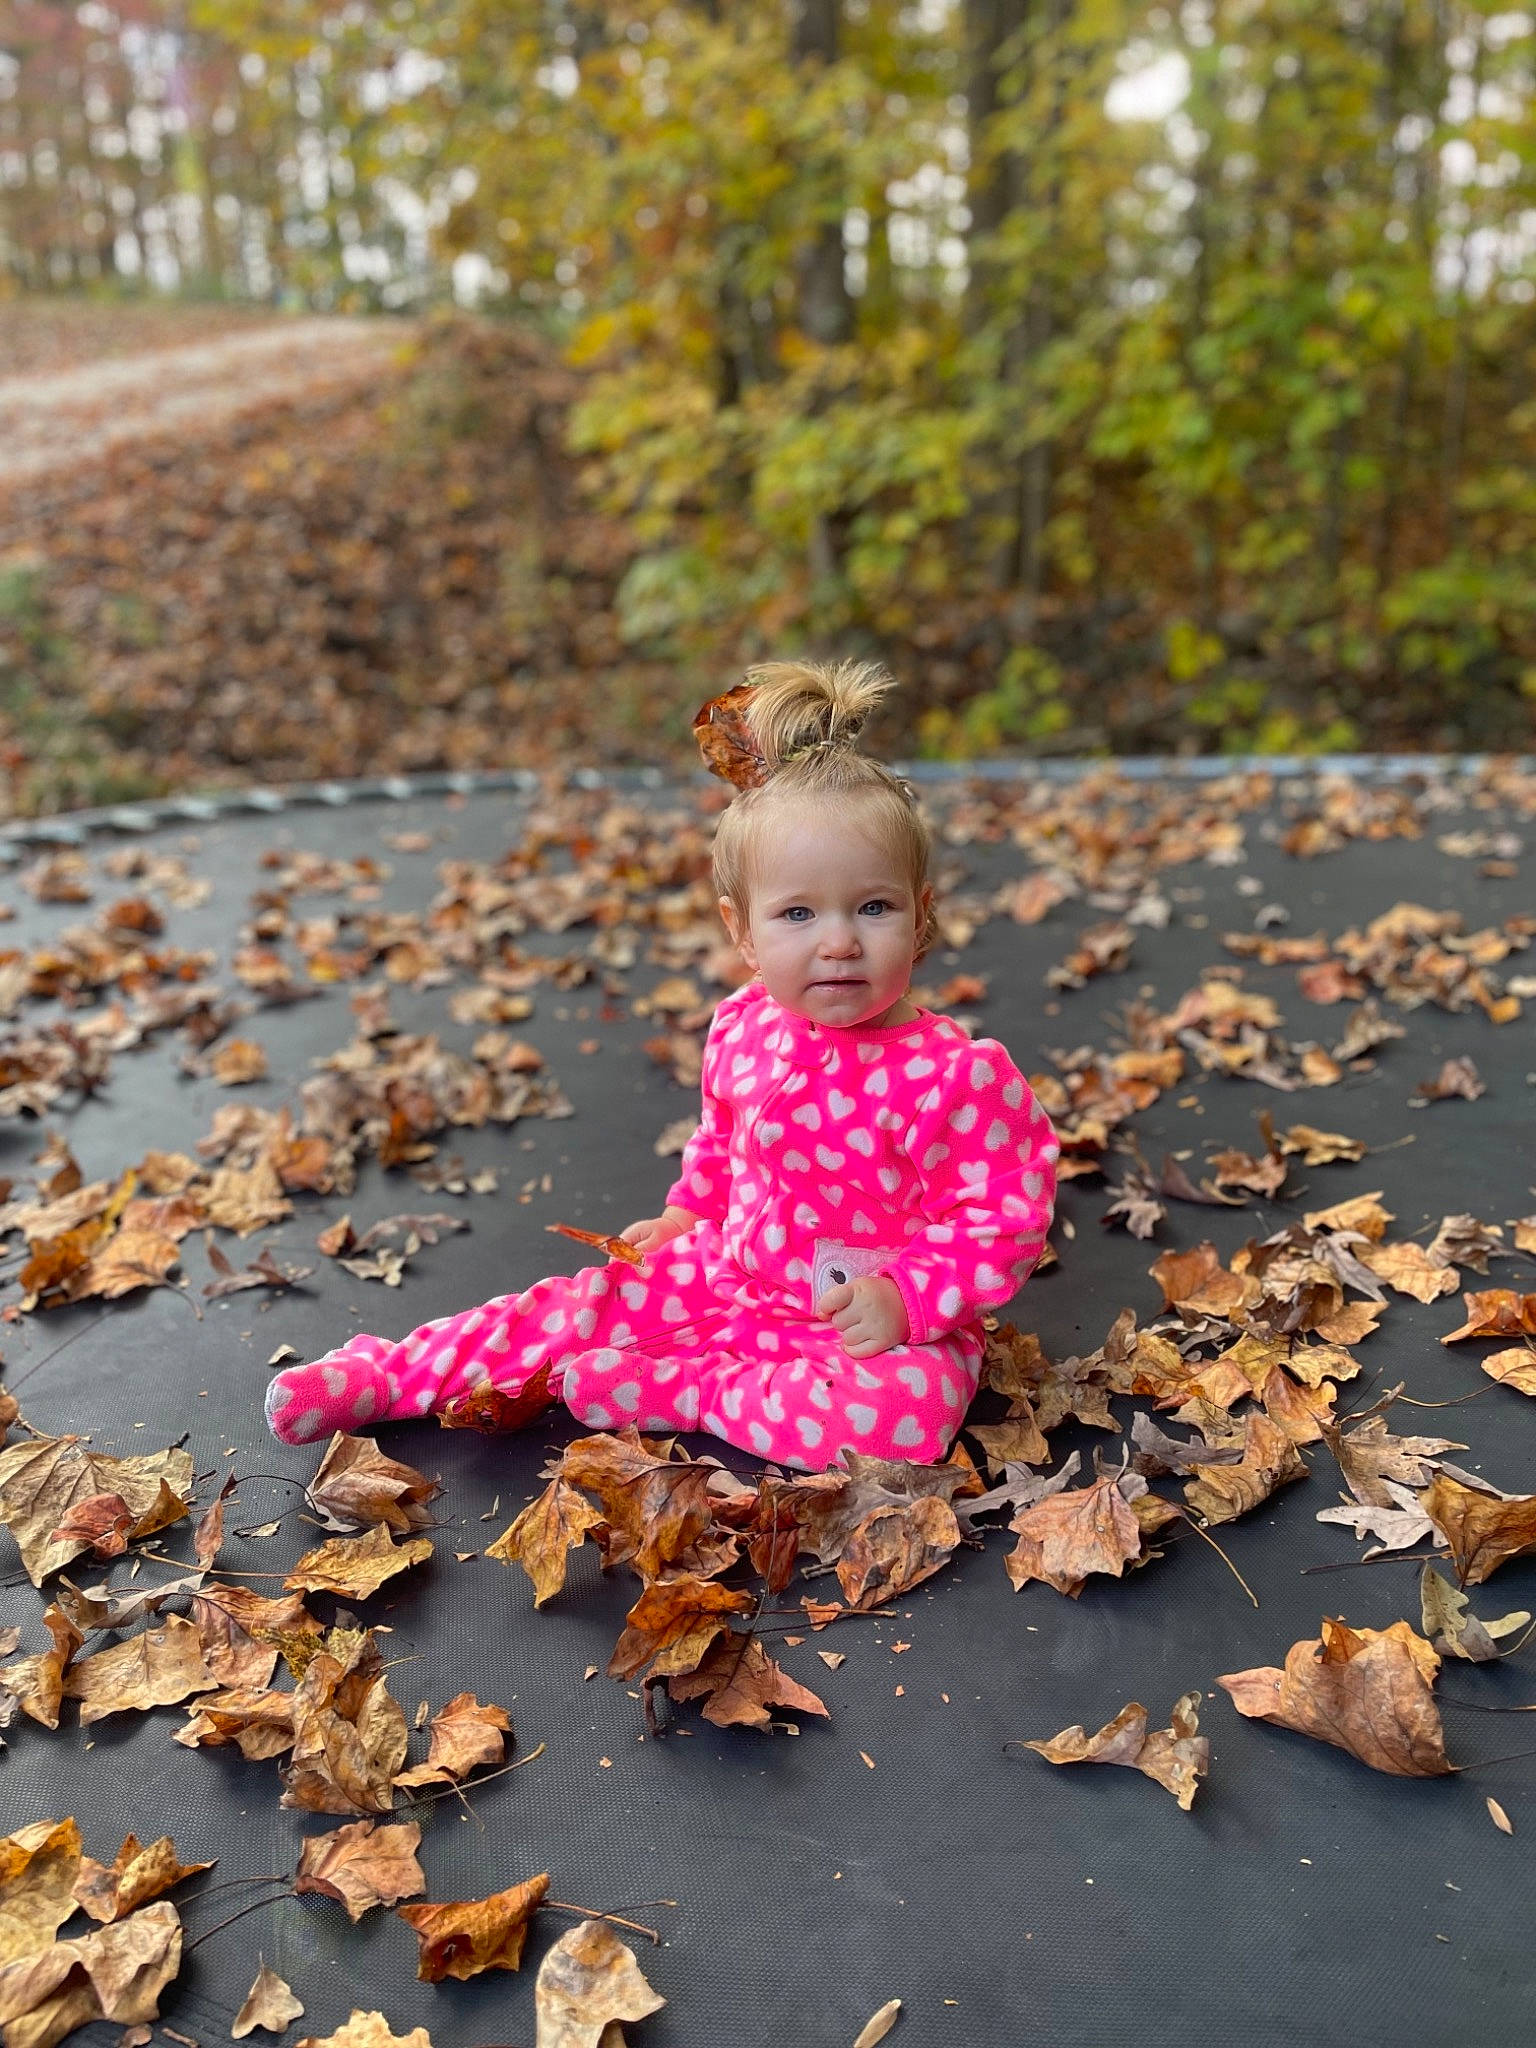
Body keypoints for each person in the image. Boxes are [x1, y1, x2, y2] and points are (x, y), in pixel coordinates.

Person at [265, 659, 1059, 1470]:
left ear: (920, 916)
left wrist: (906, 1298)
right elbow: (721, 1147)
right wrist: (686, 1217)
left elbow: (1001, 1219)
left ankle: (687, 1392)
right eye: (797, 913)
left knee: (903, 1419)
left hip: (861, 1324)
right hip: (727, 1273)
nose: (839, 941)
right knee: (576, 1310)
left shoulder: (954, 1077)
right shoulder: (746, 1024)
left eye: (874, 907)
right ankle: (388, 1376)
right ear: (742, 931)